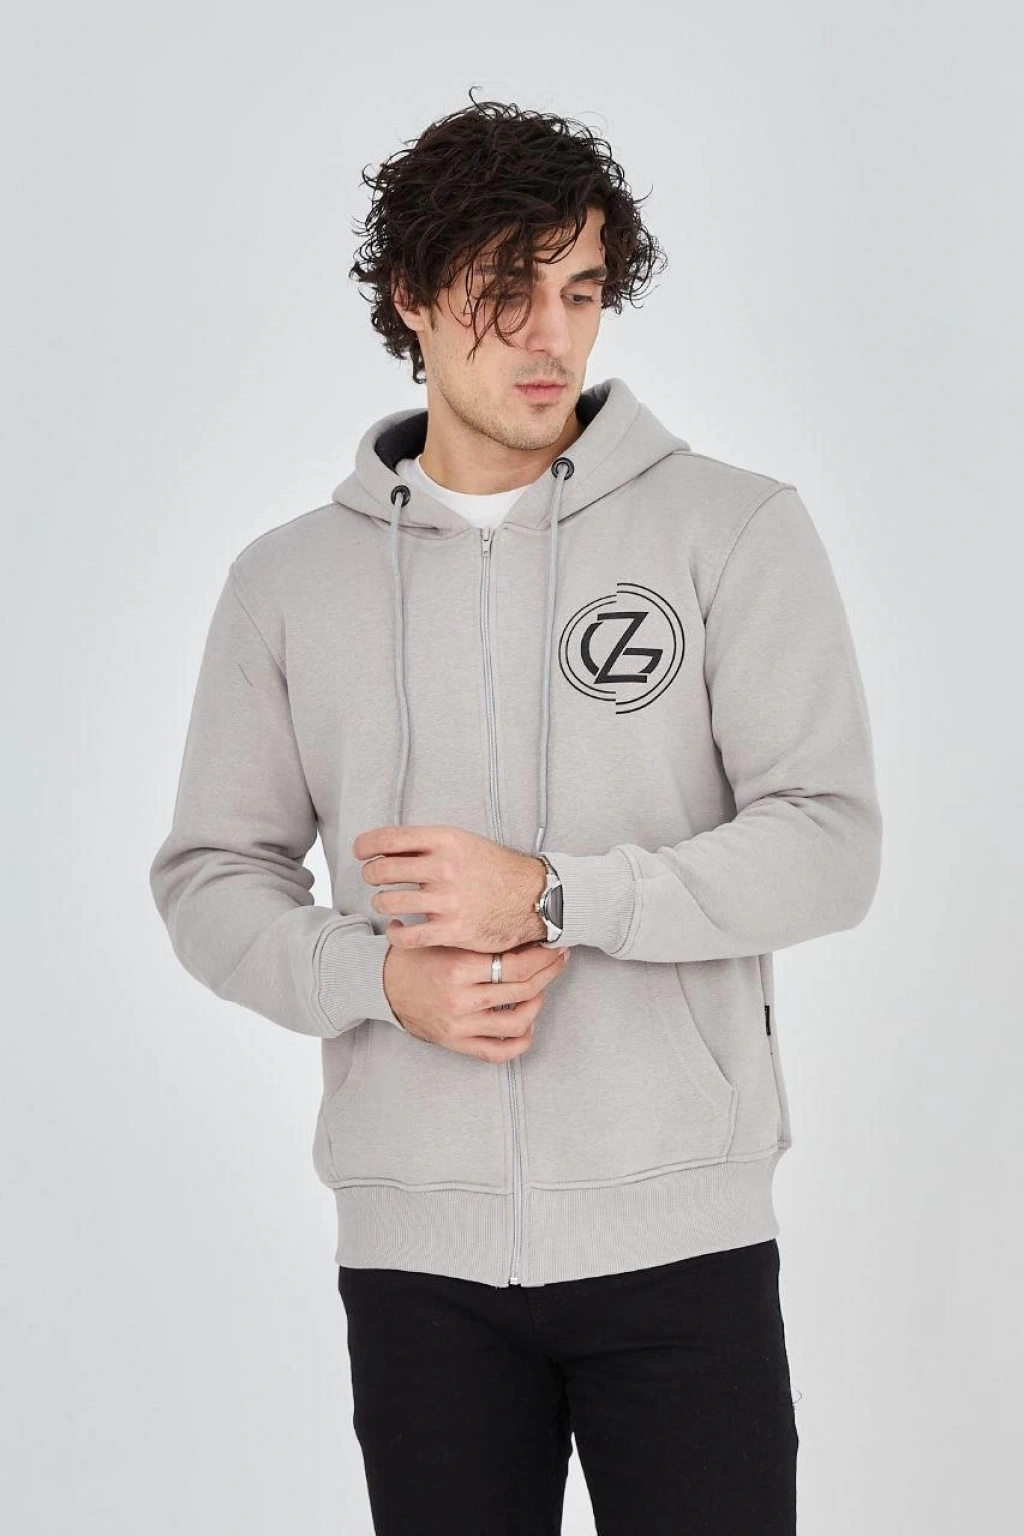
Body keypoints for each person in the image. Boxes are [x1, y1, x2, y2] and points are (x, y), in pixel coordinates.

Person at [149, 93, 882, 1535]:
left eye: (582, 291)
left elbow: (829, 843)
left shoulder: (729, 529)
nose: (553, 336)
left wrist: (555, 892)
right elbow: (212, 876)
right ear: (412, 299)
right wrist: (378, 982)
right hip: (417, 1265)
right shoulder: (288, 584)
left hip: (682, 1245)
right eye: (505, 291)